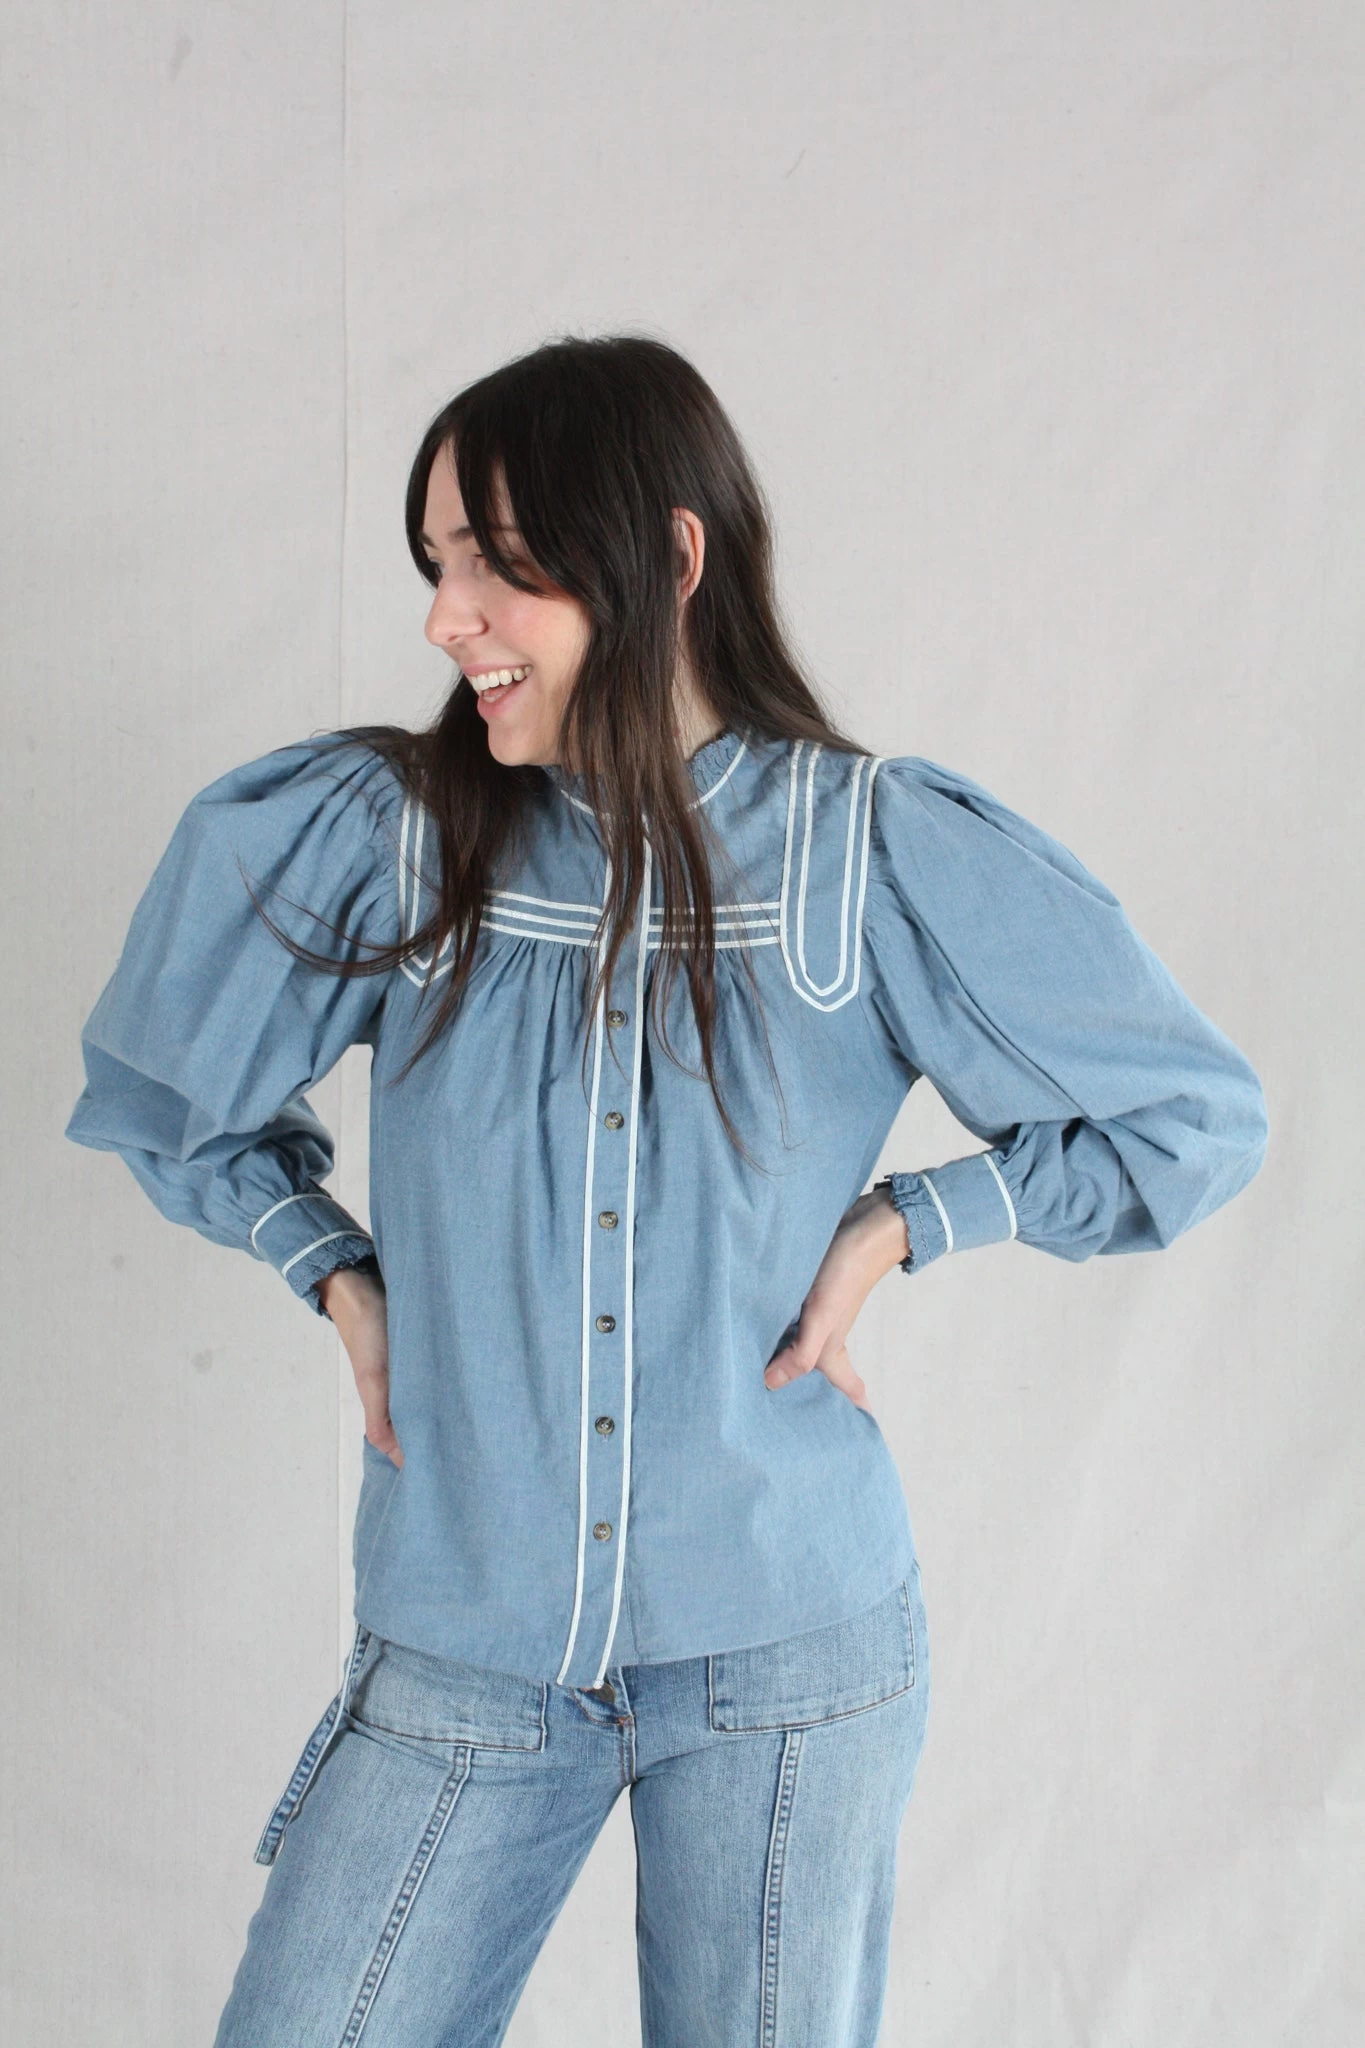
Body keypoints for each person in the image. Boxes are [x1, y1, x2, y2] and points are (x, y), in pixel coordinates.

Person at [65, 333, 1268, 2047]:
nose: (446, 619)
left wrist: (908, 1224)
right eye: (435, 565)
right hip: (466, 1641)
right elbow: (170, 1096)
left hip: (791, 1657)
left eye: (496, 564)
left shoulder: (872, 851)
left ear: (670, 558)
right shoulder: (393, 836)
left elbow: (1189, 1118)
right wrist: (336, 1272)